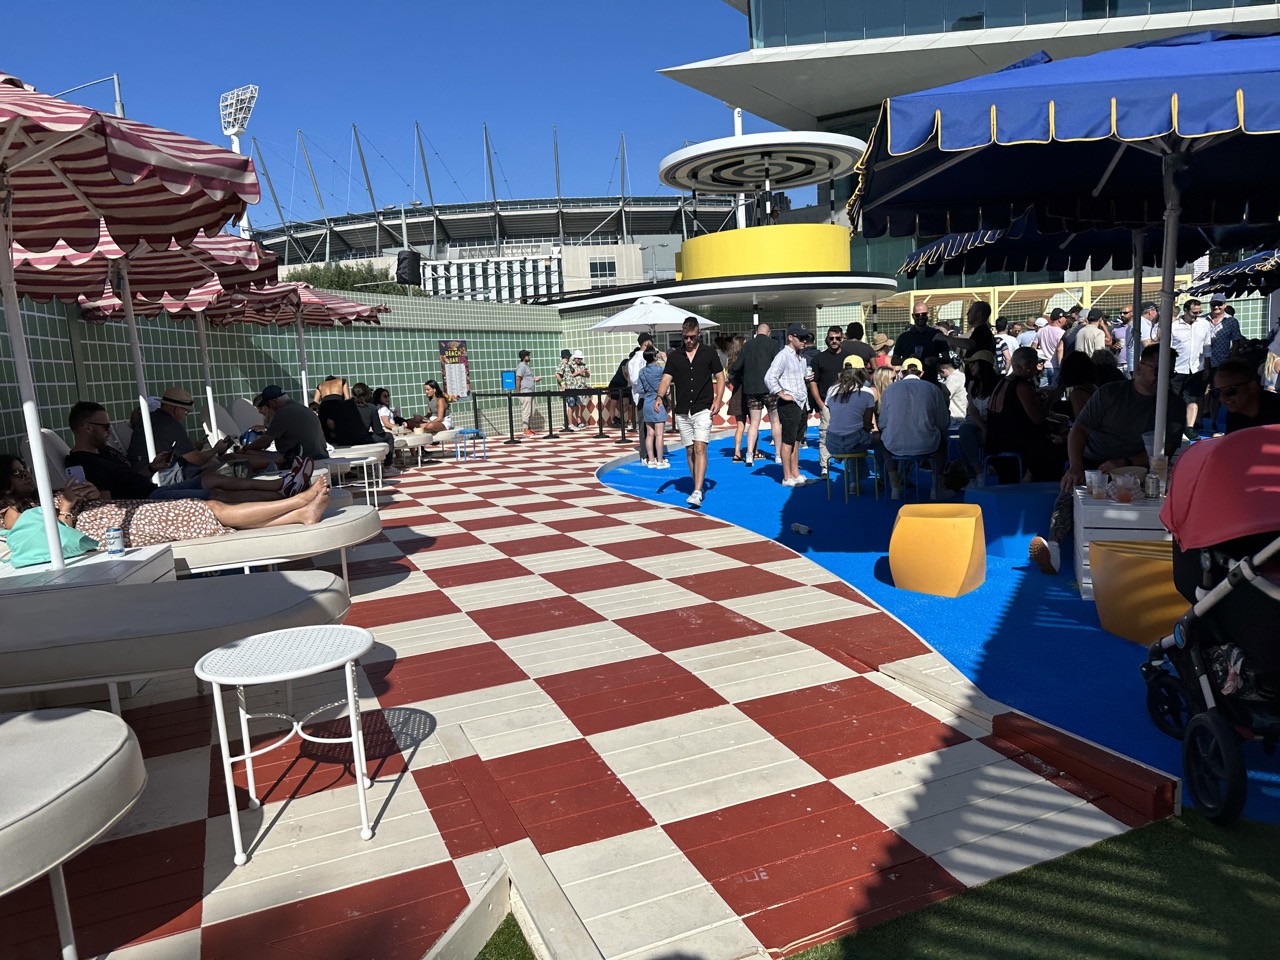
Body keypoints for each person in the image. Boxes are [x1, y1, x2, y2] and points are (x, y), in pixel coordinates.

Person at [1028, 344, 1187, 575]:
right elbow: (1079, 430)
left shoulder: (1174, 405)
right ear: (1140, 368)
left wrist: (1124, 462)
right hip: (1095, 462)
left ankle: (1167, 557)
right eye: (1157, 370)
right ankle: (1053, 549)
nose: (1163, 377)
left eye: (1168, 372)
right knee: (1070, 490)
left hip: (1140, 467)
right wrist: (1075, 466)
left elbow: (1167, 449)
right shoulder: (1110, 393)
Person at [1, 454, 331, 550]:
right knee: (212, 508)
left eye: (24, 469)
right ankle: (298, 500)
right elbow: (55, 545)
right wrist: (68, 507)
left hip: (119, 514)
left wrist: (86, 495)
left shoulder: (38, 495)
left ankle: (301, 514)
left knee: (216, 512)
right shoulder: (12, 515)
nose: (26, 475)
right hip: (110, 533)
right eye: (17, 474)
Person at [65, 402, 288, 503]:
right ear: (86, 427)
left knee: (211, 478)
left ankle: (280, 484)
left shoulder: (105, 453)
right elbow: (106, 503)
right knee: (217, 493)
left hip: (152, 488)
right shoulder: (83, 463)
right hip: (146, 500)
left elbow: (128, 479)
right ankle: (283, 498)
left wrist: (152, 467)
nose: (109, 430)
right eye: (104, 426)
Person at [656, 317, 724, 507]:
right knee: (690, 450)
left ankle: (696, 491)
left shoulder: (709, 353)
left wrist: (718, 400)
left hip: (703, 408)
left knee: (700, 447)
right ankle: (698, 485)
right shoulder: (676, 356)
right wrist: (659, 397)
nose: (689, 341)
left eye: (692, 337)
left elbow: (720, 377)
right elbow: (666, 379)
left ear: (699, 334)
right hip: (683, 410)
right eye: (685, 337)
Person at [877, 357, 952, 500]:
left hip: (895, 444)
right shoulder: (933, 389)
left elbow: (883, 423)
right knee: (942, 443)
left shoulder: (890, 390)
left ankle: (895, 488)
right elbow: (943, 422)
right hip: (927, 444)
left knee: (883, 444)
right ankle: (936, 488)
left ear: (902, 373)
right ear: (922, 373)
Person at [985, 347, 1063, 483]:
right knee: (1054, 445)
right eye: (1035, 364)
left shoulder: (1002, 382)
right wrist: (1052, 399)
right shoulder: (1021, 386)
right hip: (1013, 442)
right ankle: (1031, 477)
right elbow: (1038, 419)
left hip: (994, 440)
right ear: (1028, 365)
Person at [765, 323, 815, 486]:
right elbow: (770, 377)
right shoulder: (783, 355)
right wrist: (782, 394)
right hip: (790, 404)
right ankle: (787, 476)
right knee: (787, 440)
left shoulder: (801, 357)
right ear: (790, 337)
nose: (804, 341)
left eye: (805, 338)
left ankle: (795, 473)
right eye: (800, 337)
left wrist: (806, 380)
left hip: (801, 402)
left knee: (796, 440)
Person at [730, 322, 782, 466]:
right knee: (775, 421)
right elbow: (779, 365)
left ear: (756, 333)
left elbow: (737, 366)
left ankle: (749, 455)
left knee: (754, 423)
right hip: (770, 388)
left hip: (752, 389)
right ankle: (778, 454)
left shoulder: (747, 345)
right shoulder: (773, 344)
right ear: (769, 332)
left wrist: (732, 376)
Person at [242, 384, 330, 463]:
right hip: (320, 455)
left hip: (303, 459)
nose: (270, 408)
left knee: (249, 454)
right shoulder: (300, 408)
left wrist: (245, 449)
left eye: (268, 404)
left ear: (274, 401)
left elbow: (265, 442)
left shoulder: (283, 412)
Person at [808, 325, 847, 479]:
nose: (834, 341)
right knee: (825, 435)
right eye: (831, 338)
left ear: (842, 339)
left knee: (848, 434)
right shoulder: (818, 358)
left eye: (837, 338)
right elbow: (813, 382)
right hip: (827, 404)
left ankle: (846, 463)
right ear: (827, 339)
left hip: (846, 404)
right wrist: (820, 403)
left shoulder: (849, 357)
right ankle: (825, 467)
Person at [1170, 298, 1212, 439]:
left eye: (1200, 312)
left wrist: (1206, 367)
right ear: (1186, 311)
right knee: (1175, 400)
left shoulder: (1204, 324)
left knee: (1193, 399)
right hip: (1177, 368)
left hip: (1196, 368)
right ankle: (1174, 427)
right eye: (1194, 312)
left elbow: (1207, 347)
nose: (1197, 315)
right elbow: (1168, 349)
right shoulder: (1174, 326)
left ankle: (1189, 427)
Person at [958, 352, 999, 486]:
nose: (970, 366)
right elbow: (973, 410)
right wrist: (983, 427)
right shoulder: (971, 385)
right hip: (979, 424)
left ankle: (975, 475)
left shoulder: (998, 384)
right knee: (964, 431)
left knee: (964, 437)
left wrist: (986, 427)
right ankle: (978, 473)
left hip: (995, 424)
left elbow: (998, 412)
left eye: (973, 363)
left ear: (983, 365)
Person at [1214, 358, 1280, 432]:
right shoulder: (1234, 415)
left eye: (1229, 390)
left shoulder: (1277, 410)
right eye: (1217, 392)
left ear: (1252, 386)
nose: (1222, 398)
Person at [824, 365, 876, 458]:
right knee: (880, 441)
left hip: (832, 442)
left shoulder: (832, 389)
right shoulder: (867, 392)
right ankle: (887, 471)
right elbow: (867, 424)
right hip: (856, 442)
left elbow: (834, 413)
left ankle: (853, 468)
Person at [1205, 294, 1242, 423]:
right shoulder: (1203, 320)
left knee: (1219, 393)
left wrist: (1231, 360)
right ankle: (1204, 419)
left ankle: (1215, 420)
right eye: (1213, 304)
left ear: (1225, 305)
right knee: (1203, 393)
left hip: (1222, 362)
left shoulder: (1231, 321)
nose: (1216, 307)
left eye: (1219, 304)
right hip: (1204, 362)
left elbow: (1236, 342)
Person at [636, 348, 669, 468]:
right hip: (658, 402)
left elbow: (639, 389)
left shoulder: (642, 372)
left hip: (647, 402)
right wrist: (665, 358)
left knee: (650, 434)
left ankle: (651, 460)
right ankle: (660, 461)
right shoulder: (660, 370)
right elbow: (671, 374)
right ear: (655, 357)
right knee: (659, 434)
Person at [892, 303, 949, 367]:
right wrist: (908, 360)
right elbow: (894, 361)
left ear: (928, 314)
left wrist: (935, 360)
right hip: (910, 375)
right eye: (917, 315)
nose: (920, 317)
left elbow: (947, 359)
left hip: (930, 375)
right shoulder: (904, 337)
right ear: (913, 316)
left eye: (923, 314)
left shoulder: (936, 334)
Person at [627, 333, 655, 459]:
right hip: (642, 398)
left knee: (653, 426)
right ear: (646, 343)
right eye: (651, 341)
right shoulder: (636, 360)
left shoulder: (648, 358)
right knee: (644, 427)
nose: (653, 343)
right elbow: (634, 379)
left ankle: (653, 453)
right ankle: (645, 455)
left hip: (650, 397)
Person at [721, 334, 748, 462]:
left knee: (740, 425)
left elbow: (728, 380)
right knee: (754, 424)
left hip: (736, 394)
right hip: (748, 393)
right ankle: (754, 451)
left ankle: (737, 452)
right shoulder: (747, 360)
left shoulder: (730, 361)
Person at [1033, 309, 1067, 386]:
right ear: (1060, 319)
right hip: (1056, 367)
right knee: (1055, 393)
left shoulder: (1041, 331)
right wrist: (1061, 366)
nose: (1066, 319)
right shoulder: (1062, 333)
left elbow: (1033, 348)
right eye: (1064, 317)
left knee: (1042, 392)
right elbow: (1060, 350)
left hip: (1043, 366)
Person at [515, 349, 540, 437]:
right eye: (528, 355)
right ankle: (525, 429)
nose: (529, 357)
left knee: (531, 410)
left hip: (530, 391)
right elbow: (518, 379)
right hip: (525, 392)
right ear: (523, 357)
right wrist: (519, 393)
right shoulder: (522, 366)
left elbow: (527, 378)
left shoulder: (527, 366)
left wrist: (534, 380)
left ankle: (529, 428)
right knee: (526, 411)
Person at [564, 350, 591, 430]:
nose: (579, 360)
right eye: (578, 358)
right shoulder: (570, 365)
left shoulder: (583, 365)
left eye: (581, 359)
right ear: (574, 358)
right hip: (573, 388)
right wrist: (578, 372)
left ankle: (579, 421)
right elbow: (569, 376)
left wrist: (585, 372)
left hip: (582, 387)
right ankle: (571, 423)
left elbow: (588, 375)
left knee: (580, 405)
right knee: (573, 405)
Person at [939, 356, 968, 423]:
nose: (940, 376)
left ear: (944, 371)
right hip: (962, 415)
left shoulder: (951, 380)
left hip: (955, 419)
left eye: (939, 373)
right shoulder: (962, 375)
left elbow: (944, 398)